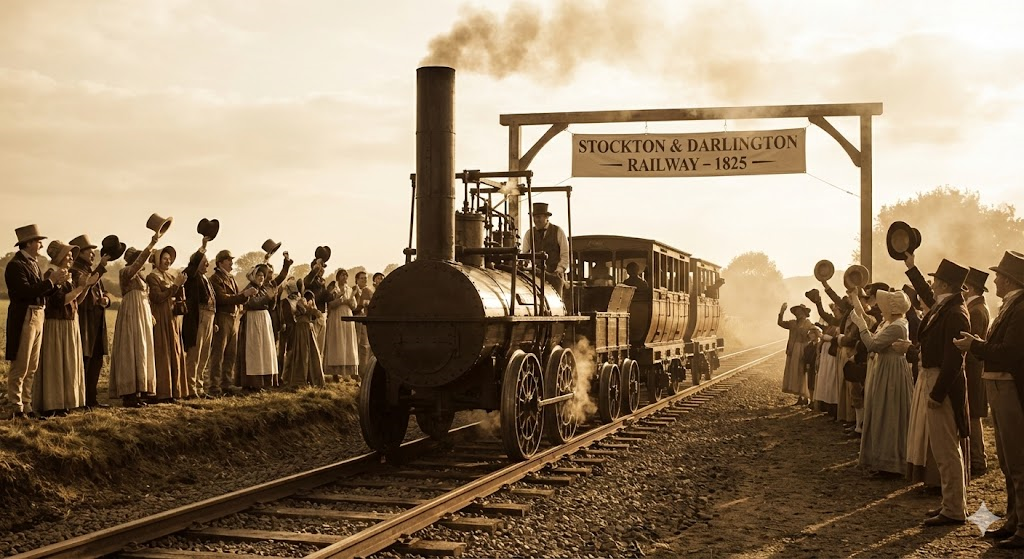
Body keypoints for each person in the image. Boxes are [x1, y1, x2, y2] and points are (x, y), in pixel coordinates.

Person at [954, 251, 1024, 549]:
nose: (994, 279)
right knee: (1008, 462)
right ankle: (1013, 519)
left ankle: (1022, 526)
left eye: (998, 275)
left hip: (1011, 390)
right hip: (1000, 387)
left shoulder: (1020, 309)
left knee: (1018, 462)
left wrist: (976, 345)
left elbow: (1009, 352)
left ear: (1009, 280)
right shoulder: (1012, 306)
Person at [904, 253, 971, 527]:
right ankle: (950, 503)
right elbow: (925, 293)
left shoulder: (955, 313)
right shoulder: (946, 307)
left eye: (935, 281)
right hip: (933, 378)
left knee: (946, 449)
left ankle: (955, 509)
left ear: (943, 284)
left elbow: (955, 361)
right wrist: (911, 268)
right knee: (942, 449)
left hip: (940, 383)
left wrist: (937, 393)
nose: (931, 286)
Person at [850, 289, 914, 475]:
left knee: (889, 412)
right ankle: (879, 459)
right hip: (884, 368)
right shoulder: (890, 322)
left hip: (891, 371)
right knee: (881, 410)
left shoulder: (897, 326)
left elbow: (873, 345)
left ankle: (890, 463)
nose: (880, 307)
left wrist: (861, 325)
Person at [33, 241, 100, 417]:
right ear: (59, 257)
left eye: (71, 255)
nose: (71, 258)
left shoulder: (67, 275)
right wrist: (81, 287)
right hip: (57, 324)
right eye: (68, 255)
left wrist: (86, 287)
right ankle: (53, 403)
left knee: (67, 362)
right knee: (56, 363)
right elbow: (59, 301)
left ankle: (65, 402)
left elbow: (76, 301)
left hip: (70, 322)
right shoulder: (52, 274)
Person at [6, 225, 63, 419]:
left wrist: (56, 284)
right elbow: (25, 292)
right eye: (38, 241)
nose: (41, 244)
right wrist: (50, 282)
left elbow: (40, 291)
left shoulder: (33, 263)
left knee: (32, 366)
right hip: (25, 316)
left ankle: (27, 406)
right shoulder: (16, 265)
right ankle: (16, 406)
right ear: (28, 243)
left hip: (38, 314)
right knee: (21, 364)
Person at [109, 236, 160, 408]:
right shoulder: (126, 272)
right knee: (131, 348)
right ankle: (129, 393)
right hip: (132, 312)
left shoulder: (141, 277)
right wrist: (151, 244)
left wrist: (149, 313)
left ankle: (140, 390)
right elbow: (137, 265)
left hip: (142, 312)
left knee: (141, 349)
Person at [69, 235, 111, 408]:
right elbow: (83, 286)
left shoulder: (89, 270)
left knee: (96, 361)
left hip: (96, 321)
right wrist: (101, 266)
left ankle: (92, 399)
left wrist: (106, 300)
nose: (93, 254)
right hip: (85, 321)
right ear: (79, 253)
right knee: (85, 361)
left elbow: (105, 292)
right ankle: (82, 400)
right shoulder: (75, 270)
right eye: (89, 251)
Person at [208, 250, 256, 396]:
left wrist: (245, 295)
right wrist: (244, 295)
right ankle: (214, 386)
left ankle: (227, 384)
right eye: (228, 260)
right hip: (222, 317)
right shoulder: (215, 278)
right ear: (220, 262)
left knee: (230, 353)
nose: (231, 262)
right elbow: (222, 299)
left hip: (233, 317)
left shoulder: (230, 278)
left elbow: (236, 296)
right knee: (219, 354)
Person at [147, 246, 188, 402]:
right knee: (162, 352)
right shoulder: (152, 277)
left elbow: (177, 295)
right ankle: (162, 392)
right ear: (157, 260)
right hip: (160, 316)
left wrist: (181, 285)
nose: (168, 261)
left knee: (174, 351)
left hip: (172, 317)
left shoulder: (170, 276)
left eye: (169, 259)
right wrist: (175, 286)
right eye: (164, 258)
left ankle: (174, 390)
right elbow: (157, 297)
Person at [962, 268, 991, 477]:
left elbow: (971, 343)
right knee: (973, 413)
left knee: (972, 413)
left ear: (970, 288)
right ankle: (977, 458)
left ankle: (978, 460)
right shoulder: (979, 307)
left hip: (972, 368)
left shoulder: (975, 310)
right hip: (975, 366)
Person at [182, 237, 215, 398]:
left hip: (209, 317)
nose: (207, 264)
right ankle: (190, 388)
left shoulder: (205, 278)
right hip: (198, 317)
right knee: (195, 354)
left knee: (204, 355)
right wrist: (203, 247)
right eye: (204, 261)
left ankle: (200, 387)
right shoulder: (191, 274)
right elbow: (193, 266)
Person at [238, 264, 279, 390]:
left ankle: (264, 380)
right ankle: (253, 382)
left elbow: (271, 307)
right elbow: (252, 303)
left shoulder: (264, 288)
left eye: (262, 275)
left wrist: (273, 298)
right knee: (254, 351)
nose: (261, 278)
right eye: (258, 275)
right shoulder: (250, 288)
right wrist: (267, 297)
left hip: (264, 319)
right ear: (253, 276)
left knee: (265, 350)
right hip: (253, 319)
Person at [521, 202, 569, 292]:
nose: (536, 220)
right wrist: (525, 264)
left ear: (546, 218)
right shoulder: (529, 234)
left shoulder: (558, 231)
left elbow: (565, 254)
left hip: (554, 275)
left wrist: (559, 270)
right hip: (536, 274)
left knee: (555, 300)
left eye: (539, 217)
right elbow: (525, 255)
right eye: (534, 217)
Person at [282, 290, 326, 388]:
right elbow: (313, 312)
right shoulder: (300, 303)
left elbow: (315, 313)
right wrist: (310, 308)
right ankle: (301, 378)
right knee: (303, 352)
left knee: (306, 352)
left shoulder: (300, 302)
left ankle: (306, 377)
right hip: (303, 328)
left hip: (305, 328)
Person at [324, 269, 359, 382]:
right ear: (338, 277)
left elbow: (354, 306)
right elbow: (330, 304)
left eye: (346, 276)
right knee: (337, 342)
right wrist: (341, 300)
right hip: (336, 317)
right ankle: (335, 372)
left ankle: (348, 372)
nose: (345, 278)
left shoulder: (349, 289)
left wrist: (350, 301)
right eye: (342, 275)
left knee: (347, 341)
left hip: (347, 315)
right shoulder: (334, 289)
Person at [778, 303, 815, 405]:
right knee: (795, 372)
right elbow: (780, 323)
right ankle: (800, 397)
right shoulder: (792, 323)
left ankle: (805, 397)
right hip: (793, 350)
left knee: (802, 372)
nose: (797, 313)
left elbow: (814, 333)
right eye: (796, 311)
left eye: (799, 311)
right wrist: (781, 312)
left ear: (804, 312)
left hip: (803, 349)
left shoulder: (808, 323)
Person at [354, 270, 374, 378]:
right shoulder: (353, 290)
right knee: (355, 344)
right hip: (355, 319)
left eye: (365, 278)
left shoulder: (369, 291)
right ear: (357, 280)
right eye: (362, 278)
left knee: (365, 346)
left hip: (365, 319)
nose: (364, 280)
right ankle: (354, 371)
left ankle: (363, 371)